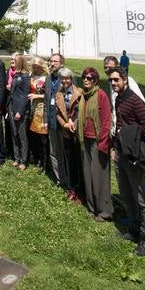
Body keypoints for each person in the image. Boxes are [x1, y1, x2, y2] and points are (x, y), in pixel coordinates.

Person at [109, 67, 145, 256]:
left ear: (125, 80)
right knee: (126, 194)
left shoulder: (135, 101)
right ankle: (134, 228)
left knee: (141, 197)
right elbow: (118, 125)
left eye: (116, 80)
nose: (113, 83)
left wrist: (127, 132)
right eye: (111, 80)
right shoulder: (118, 99)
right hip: (121, 152)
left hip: (134, 155)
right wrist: (115, 147)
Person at [78, 67, 112, 220]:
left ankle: (104, 211)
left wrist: (103, 143)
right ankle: (91, 207)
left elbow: (106, 120)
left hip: (98, 141)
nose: (86, 80)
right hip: (84, 139)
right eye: (84, 77)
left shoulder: (101, 95)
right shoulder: (83, 95)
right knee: (88, 174)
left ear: (96, 80)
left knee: (99, 176)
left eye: (90, 78)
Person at [55, 67, 83, 203]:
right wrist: (64, 124)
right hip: (66, 131)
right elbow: (57, 113)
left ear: (71, 79)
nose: (64, 81)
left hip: (77, 132)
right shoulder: (59, 94)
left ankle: (80, 190)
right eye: (62, 78)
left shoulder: (79, 92)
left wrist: (74, 124)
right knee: (69, 161)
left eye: (67, 78)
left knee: (79, 162)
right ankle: (72, 188)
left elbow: (82, 112)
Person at [103, 56, 145, 135]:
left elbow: (142, 104)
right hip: (118, 129)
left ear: (117, 66)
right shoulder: (111, 82)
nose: (107, 70)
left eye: (110, 67)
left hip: (130, 132)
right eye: (105, 67)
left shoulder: (128, 80)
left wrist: (131, 128)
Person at [43, 53, 64, 182]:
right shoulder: (48, 78)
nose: (52, 63)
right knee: (53, 151)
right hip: (51, 120)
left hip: (62, 122)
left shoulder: (66, 78)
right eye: (51, 61)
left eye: (55, 61)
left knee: (64, 152)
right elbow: (46, 101)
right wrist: (45, 120)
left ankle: (67, 178)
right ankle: (58, 178)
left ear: (62, 64)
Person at [8, 55, 30, 169]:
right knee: (14, 134)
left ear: (20, 63)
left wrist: (20, 112)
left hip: (20, 110)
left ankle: (24, 160)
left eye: (15, 61)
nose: (13, 62)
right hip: (12, 107)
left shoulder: (25, 77)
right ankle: (17, 158)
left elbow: (25, 96)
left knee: (22, 136)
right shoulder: (16, 75)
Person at [28, 57, 49, 173]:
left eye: (37, 67)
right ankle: (37, 159)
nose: (35, 69)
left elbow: (51, 95)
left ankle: (45, 163)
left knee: (43, 138)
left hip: (42, 109)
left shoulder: (47, 78)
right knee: (33, 136)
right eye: (33, 66)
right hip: (32, 108)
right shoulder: (31, 76)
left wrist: (37, 96)